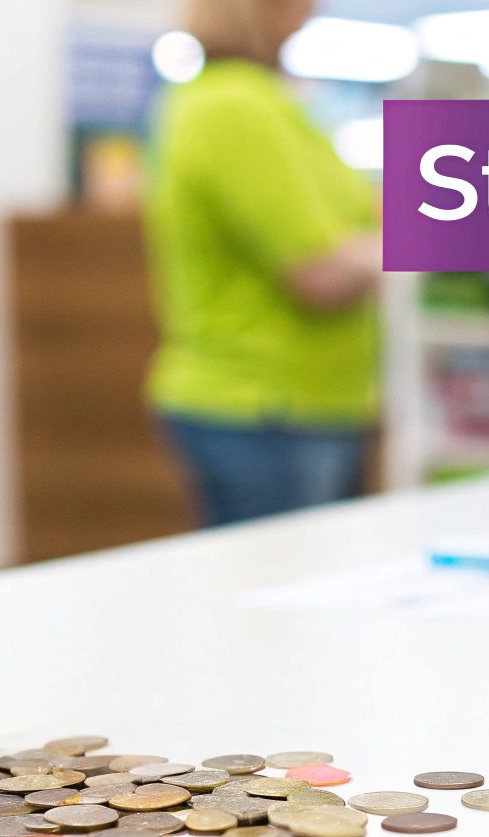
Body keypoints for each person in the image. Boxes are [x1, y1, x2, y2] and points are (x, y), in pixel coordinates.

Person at [145, 0, 382, 527]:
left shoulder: (265, 102)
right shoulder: (235, 106)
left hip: (306, 404)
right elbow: (319, 272)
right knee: (282, 596)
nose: (307, 15)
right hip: (265, 407)